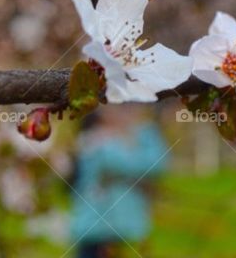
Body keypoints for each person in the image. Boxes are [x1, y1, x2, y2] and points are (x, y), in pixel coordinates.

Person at [70, 105, 168, 258]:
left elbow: (158, 164)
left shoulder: (143, 133)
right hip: (95, 227)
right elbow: (113, 162)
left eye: (128, 107)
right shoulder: (93, 138)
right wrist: (129, 143)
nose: (124, 113)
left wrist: (138, 136)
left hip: (127, 225)